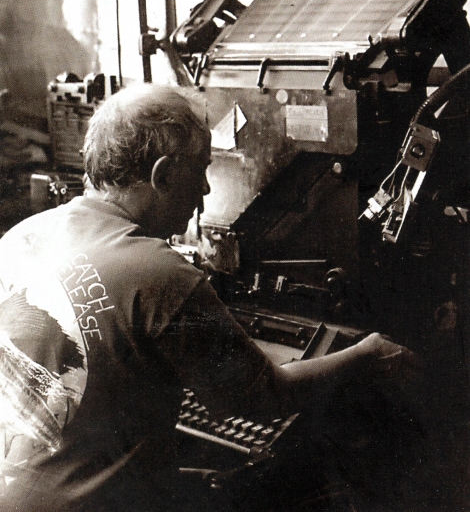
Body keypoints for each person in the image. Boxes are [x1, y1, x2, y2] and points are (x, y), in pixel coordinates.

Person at [0, 83, 418, 512]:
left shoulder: (20, 238)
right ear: (162, 175)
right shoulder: (157, 270)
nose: (204, 190)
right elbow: (263, 399)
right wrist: (366, 353)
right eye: (200, 169)